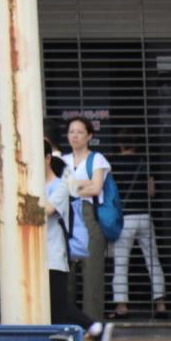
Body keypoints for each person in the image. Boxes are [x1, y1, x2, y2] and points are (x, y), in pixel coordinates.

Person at [43, 139, 114, 341]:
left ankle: (94, 329)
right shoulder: (40, 184)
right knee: (55, 306)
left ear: (47, 158)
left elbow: (49, 209)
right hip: (41, 255)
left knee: (57, 304)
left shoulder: (61, 184)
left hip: (55, 253)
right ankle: (89, 332)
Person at [107, 130, 166, 319]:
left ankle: (122, 306)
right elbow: (152, 191)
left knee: (121, 263)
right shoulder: (144, 161)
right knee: (153, 261)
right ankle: (161, 304)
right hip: (145, 216)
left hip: (125, 218)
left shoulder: (112, 164)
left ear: (119, 144)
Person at [61, 116, 113, 322]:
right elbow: (57, 188)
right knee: (66, 275)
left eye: (80, 132)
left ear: (89, 136)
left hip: (89, 215)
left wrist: (71, 186)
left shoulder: (97, 159)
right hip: (66, 217)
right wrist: (83, 184)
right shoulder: (61, 160)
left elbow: (96, 187)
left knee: (92, 273)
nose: (75, 136)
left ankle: (93, 324)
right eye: (71, 131)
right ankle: (69, 322)